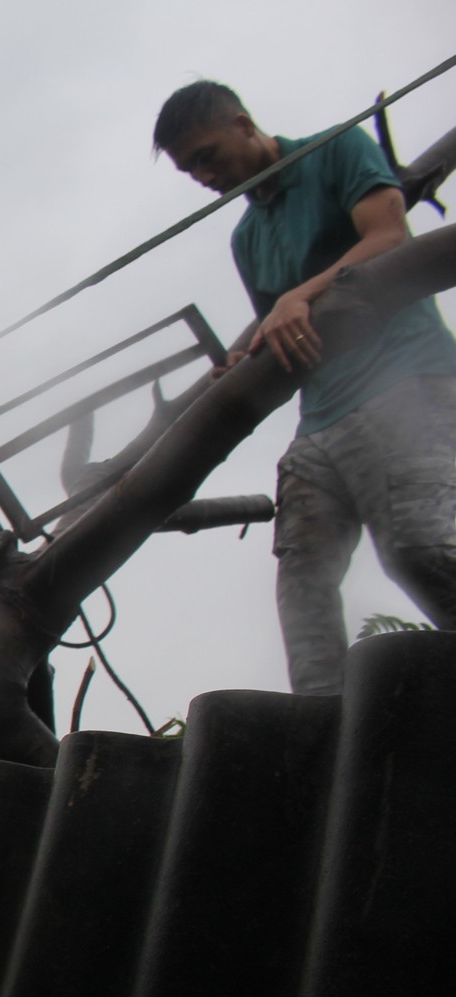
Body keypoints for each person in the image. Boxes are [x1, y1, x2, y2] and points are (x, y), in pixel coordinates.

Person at [153, 81, 456, 695]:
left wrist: (298, 294)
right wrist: (241, 360)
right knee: (303, 590)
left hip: (403, 382)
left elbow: (389, 237)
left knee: (418, 549)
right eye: (189, 169)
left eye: (207, 155)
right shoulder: (246, 237)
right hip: (319, 419)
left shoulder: (335, 150)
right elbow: (281, 332)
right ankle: (328, 738)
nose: (202, 175)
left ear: (243, 125)